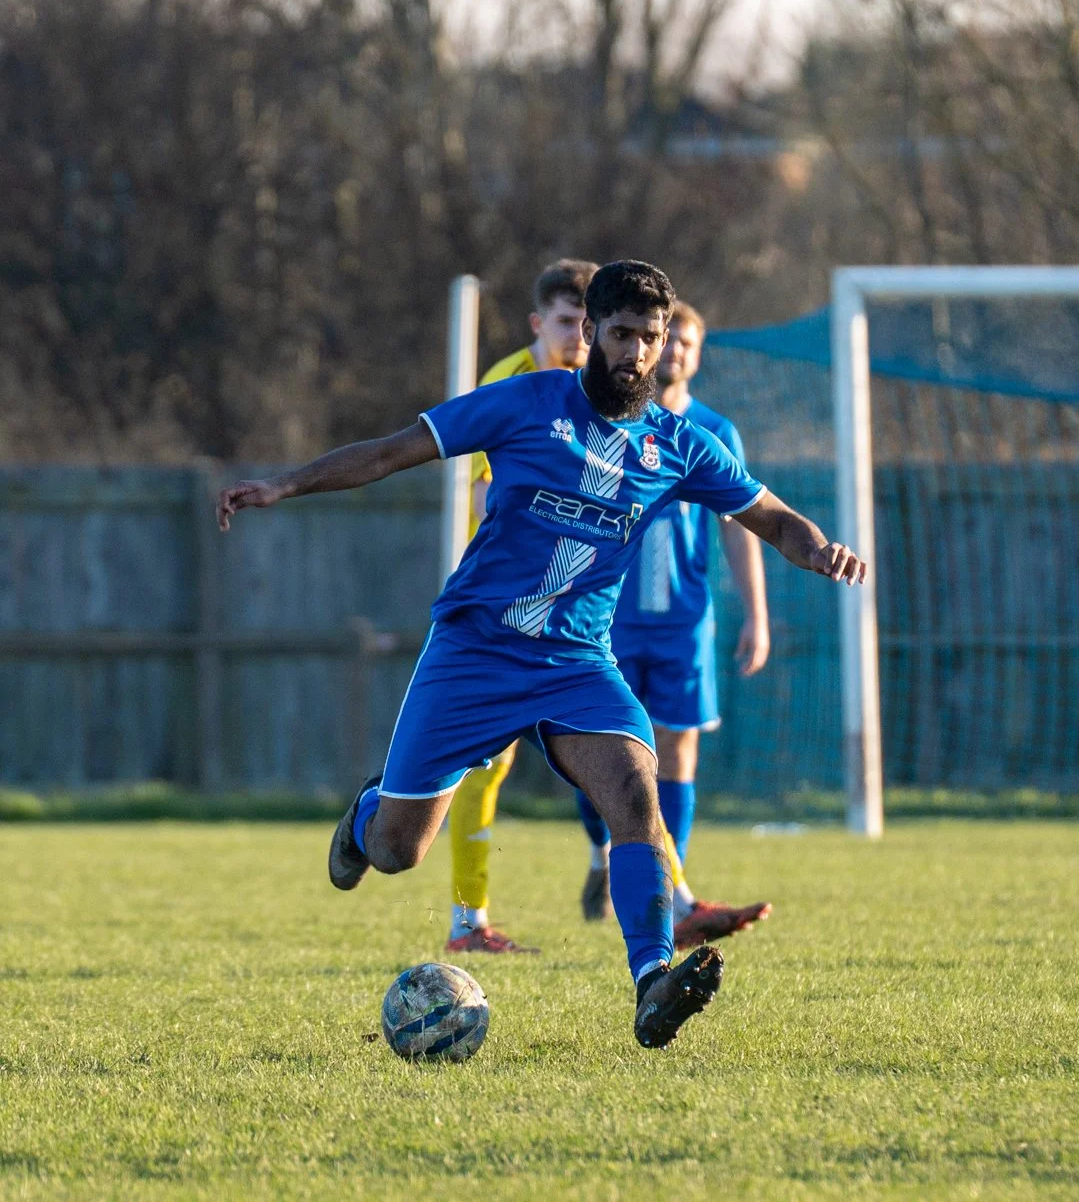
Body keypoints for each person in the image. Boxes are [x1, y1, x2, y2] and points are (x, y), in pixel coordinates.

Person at [216, 260, 867, 1049]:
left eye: (650, 339)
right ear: (590, 332)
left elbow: (767, 513)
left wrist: (819, 547)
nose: (635, 354)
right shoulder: (526, 403)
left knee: (635, 793)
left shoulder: (677, 445)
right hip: (474, 651)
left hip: (577, 663)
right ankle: (363, 819)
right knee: (399, 849)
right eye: (621, 334)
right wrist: (285, 484)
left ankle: (651, 979)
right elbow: (392, 452)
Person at [576, 301, 774, 947]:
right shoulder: (612, 420)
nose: (677, 351)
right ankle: (607, 852)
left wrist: (756, 613)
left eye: (688, 341)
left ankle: (665, 887)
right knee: (600, 752)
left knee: (677, 750)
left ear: (694, 351)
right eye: (671, 340)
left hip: (685, 621)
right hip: (611, 618)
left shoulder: (716, 429)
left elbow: (743, 524)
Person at [443, 258, 595, 956]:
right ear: (539, 324)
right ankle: (468, 920)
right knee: (481, 763)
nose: (580, 336)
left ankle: (668, 903)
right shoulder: (509, 383)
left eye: (591, 324)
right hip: (508, 608)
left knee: (618, 750)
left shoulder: (600, 390)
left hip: (574, 605)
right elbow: (484, 496)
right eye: (568, 322)